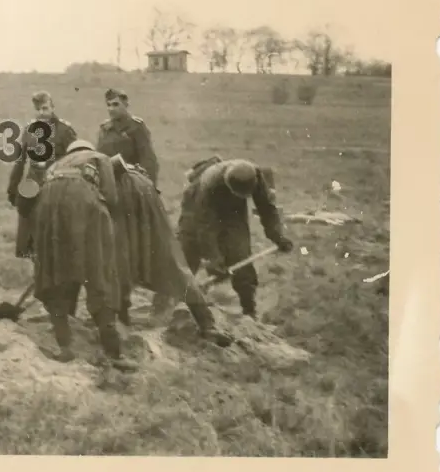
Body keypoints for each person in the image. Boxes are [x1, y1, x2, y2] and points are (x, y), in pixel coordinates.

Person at [32, 139, 136, 370]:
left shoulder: (55, 166)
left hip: (47, 203)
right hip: (83, 202)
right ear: (87, 150)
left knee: (55, 271)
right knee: (99, 270)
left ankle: (64, 346)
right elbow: (111, 197)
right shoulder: (100, 158)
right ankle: (113, 352)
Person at [107, 153, 232, 346]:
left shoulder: (111, 183)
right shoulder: (133, 178)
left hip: (136, 211)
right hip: (151, 212)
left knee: (121, 266)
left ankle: (122, 323)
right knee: (179, 271)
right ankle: (207, 325)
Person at [177, 156, 295, 319]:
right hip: (197, 206)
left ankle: (249, 310)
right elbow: (205, 226)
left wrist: (277, 236)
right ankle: (169, 303)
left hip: (232, 210)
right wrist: (214, 258)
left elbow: (267, 209)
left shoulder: (256, 177)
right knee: (188, 251)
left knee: (240, 253)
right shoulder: (209, 182)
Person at [6, 91, 79, 261]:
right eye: (38, 109)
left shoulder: (65, 130)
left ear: (52, 108)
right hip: (33, 182)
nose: (41, 113)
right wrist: (12, 188)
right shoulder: (30, 130)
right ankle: (34, 261)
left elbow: (75, 159)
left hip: (57, 183)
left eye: (45, 108)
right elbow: (20, 161)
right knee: (29, 224)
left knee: (56, 228)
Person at [95, 88, 160, 189]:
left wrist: (150, 187)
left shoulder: (136, 127)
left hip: (132, 182)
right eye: (108, 105)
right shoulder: (104, 129)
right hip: (109, 182)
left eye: (116, 104)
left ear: (125, 105)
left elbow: (148, 160)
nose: (111, 109)